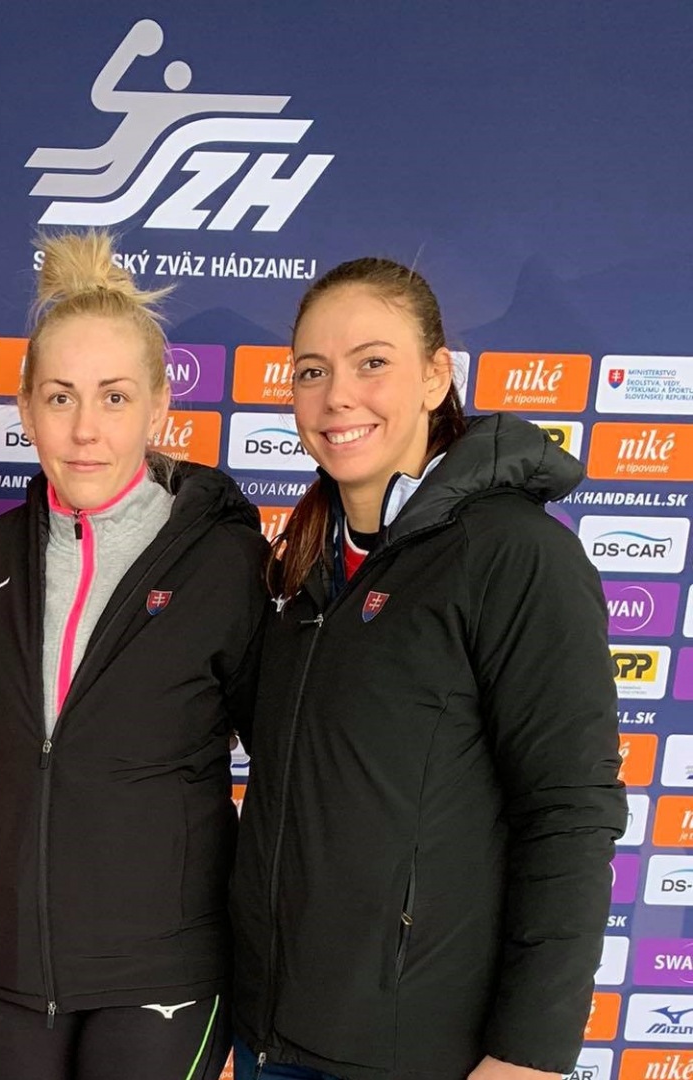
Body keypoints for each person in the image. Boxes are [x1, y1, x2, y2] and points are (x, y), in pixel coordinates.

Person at [230, 258, 626, 1080]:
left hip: (420, 1053)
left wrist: (529, 1054)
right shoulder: (304, 566)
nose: (338, 397)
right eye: (312, 371)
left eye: (372, 362)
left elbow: (569, 812)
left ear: (436, 376)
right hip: (274, 1037)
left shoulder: (515, 554)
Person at [0, 231, 269, 1080]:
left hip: (162, 973)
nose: (85, 430)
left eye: (115, 397)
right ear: (25, 409)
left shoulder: (225, 563)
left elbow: (288, 769)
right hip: (8, 968)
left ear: (159, 406)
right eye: (60, 398)